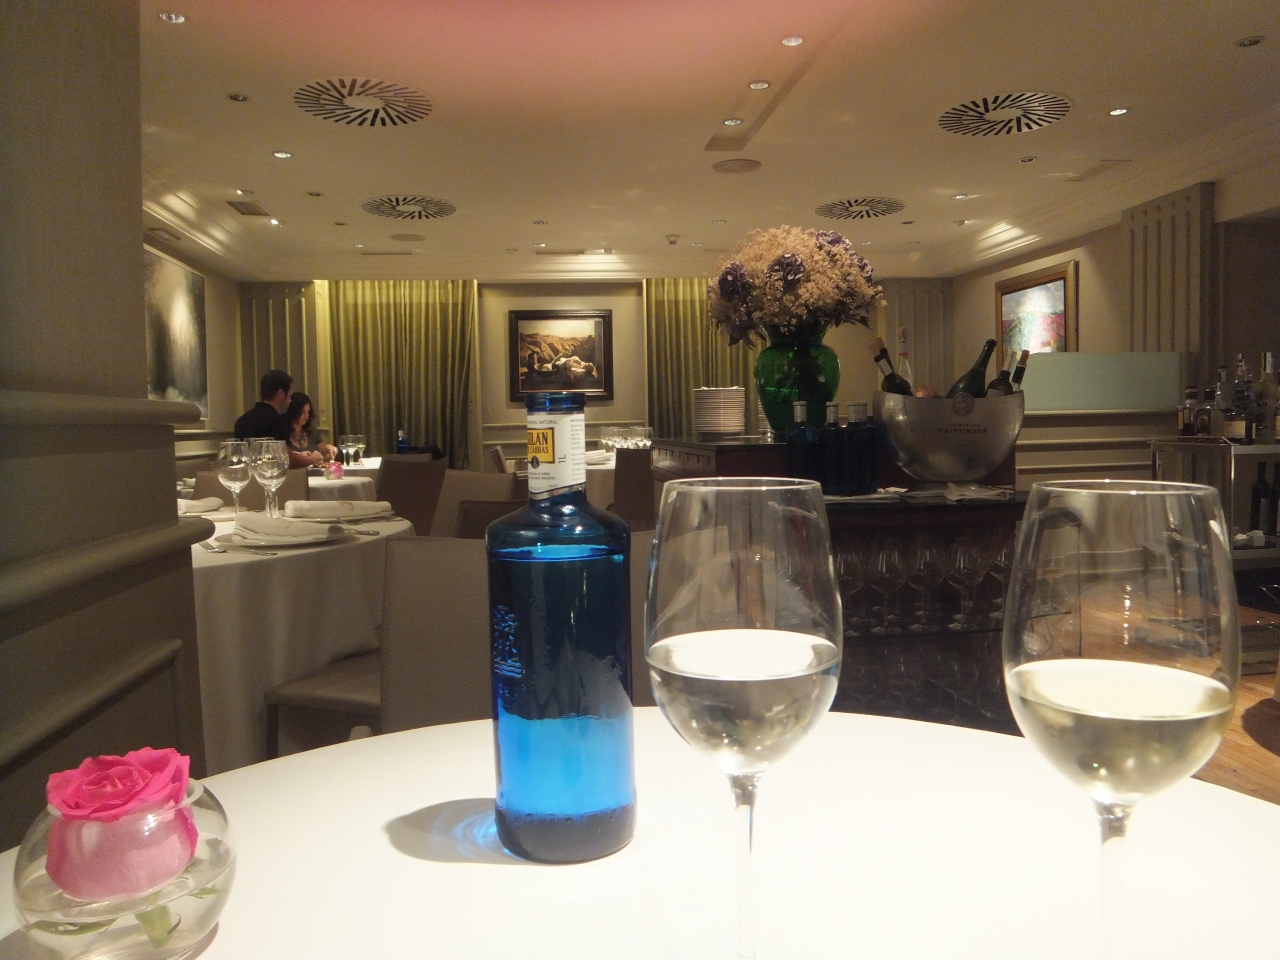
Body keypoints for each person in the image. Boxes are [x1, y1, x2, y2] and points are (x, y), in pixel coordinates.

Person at [234, 370, 293, 442]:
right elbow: (282, 449)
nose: (290, 400)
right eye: (289, 395)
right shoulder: (279, 422)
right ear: (280, 394)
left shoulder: (241, 422)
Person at [284, 392, 338, 464]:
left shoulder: (311, 430)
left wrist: (329, 450)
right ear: (294, 411)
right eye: (302, 412)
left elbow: (323, 455)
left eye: (308, 412)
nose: (306, 415)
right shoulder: (283, 430)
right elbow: (284, 460)